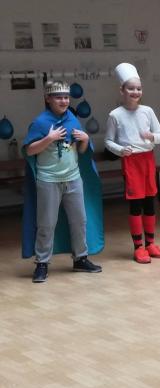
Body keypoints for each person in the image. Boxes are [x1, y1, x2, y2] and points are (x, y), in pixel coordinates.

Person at [22, 80, 103, 283]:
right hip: (48, 180)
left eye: (66, 97)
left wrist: (85, 140)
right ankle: (42, 263)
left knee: (79, 220)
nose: (64, 101)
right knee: (46, 223)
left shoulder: (72, 119)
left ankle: (80, 258)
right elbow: (29, 150)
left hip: (73, 178)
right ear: (48, 99)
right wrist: (49, 139)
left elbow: (81, 151)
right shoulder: (40, 123)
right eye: (58, 97)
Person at [105, 62, 160, 264]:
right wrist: (120, 150)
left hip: (148, 159)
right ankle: (138, 247)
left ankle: (151, 244)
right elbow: (108, 141)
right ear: (121, 90)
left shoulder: (148, 111)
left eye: (138, 88)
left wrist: (152, 137)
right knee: (136, 204)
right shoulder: (115, 115)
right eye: (131, 88)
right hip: (131, 162)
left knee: (149, 202)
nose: (135, 92)